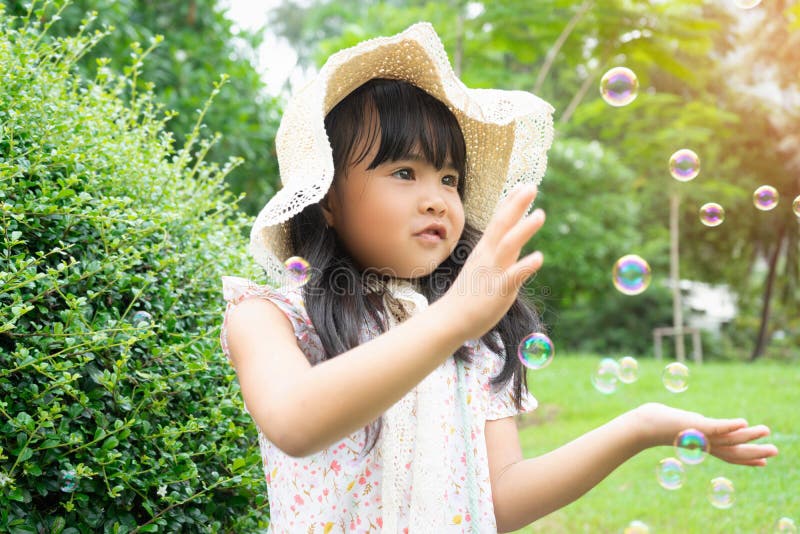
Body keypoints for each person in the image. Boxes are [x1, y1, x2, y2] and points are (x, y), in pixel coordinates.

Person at [219, 22, 778, 533]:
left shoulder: (474, 339)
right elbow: (294, 421)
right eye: (404, 172)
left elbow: (500, 500)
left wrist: (641, 425)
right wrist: (453, 318)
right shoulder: (270, 317)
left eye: (449, 178)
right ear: (327, 199)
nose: (437, 199)